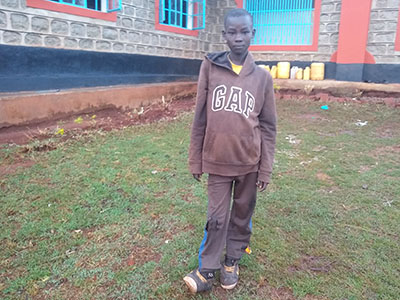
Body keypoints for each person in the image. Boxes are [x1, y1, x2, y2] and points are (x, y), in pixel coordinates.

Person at [183, 8, 277, 294]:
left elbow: (269, 126)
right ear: (223, 36)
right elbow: (200, 115)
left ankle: (232, 261)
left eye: (244, 32)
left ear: (253, 34)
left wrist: (266, 167)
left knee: (242, 214)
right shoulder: (210, 68)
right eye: (232, 32)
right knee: (217, 216)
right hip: (218, 161)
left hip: (249, 162)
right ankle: (207, 268)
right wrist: (195, 158)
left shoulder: (262, 78)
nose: (238, 38)